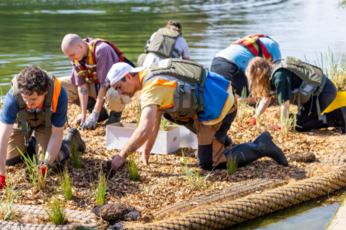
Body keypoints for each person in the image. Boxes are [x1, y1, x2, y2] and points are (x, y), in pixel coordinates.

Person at [105, 59, 288, 172]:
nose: (120, 93)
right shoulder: (152, 71)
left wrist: (121, 156)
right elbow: (154, 122)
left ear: (128, 76)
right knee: (170, 114)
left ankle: (261, 145)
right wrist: (145, 153)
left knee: (208, 163)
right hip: (222, 93)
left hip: (219, 108)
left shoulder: (150, 90)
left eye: (119, 87)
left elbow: (144, 130)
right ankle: (220, 138)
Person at [0, 66, 86, 189]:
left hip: (46, 125)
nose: (28, 103)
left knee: (53, 163)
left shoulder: (59, 95)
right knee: (9, 159)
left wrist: (45, 166)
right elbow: (2, 138)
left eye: (33, 99)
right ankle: (34, 144)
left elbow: (57, 134)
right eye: (25, 98)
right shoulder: (13, 96)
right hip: (23, 123)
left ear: (45, 92)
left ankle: (71, 140)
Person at [245, 56, 346, 132]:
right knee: (299, 122)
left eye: (253, 78)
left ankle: (337, 115)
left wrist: (283, 126)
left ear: (259, 75)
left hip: (323, 92)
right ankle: (344, 118)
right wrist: (256, 117)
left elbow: (285, 105)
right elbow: (265, 100)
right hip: (314, 95)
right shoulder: (271, 76)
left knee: (299, 126)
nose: (253, 82)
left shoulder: (279, 76)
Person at [59, 34, 134, 130]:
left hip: (117, 86)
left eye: (72, 55)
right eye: (68, 56)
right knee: (60, 86)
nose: (71, 59)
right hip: (96, 85)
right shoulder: (76, 55)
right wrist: (83, 114)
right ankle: (99, 113)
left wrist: (95, 114)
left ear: (81, 46)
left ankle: (115, 115)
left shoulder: (102, 50)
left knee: (113, 94)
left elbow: (105, 85)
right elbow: (82, 85)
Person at [210, 34, 281, 106]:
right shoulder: (274, 46)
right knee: (262, 97)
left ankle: (232, 97)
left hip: (215, 63)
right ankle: (239, 100)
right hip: (230, 67)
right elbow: (277, 74)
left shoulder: (254, 40)